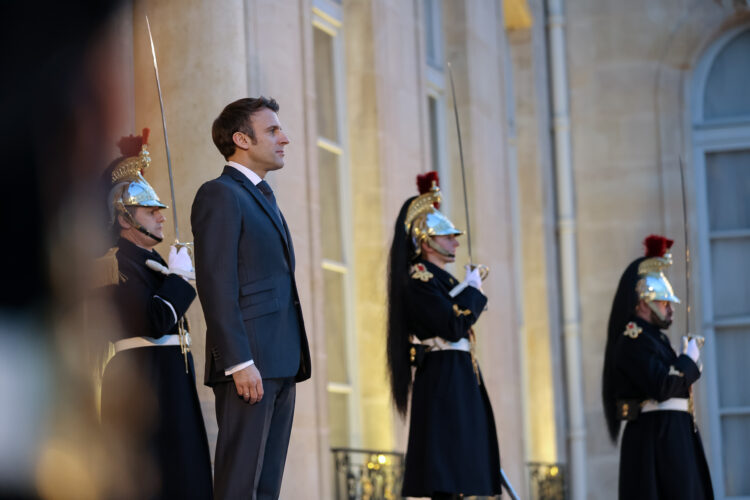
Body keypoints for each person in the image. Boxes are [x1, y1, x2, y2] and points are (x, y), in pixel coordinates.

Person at [191, 97, 312, 500]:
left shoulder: (263, 196)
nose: (285, 139)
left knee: (265, 487)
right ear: (242, 139)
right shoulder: (220, 194)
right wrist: (240, 361)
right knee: (238, 484)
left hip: (281, 360)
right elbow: (215, 282)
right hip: (249, 364)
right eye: (274, 130)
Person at [99, 130, 213, 499]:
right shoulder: (116, 262)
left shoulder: (150, 262)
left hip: (169, 381)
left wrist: (173, 275)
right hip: (146, 385)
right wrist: (179, 280)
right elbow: (154, 319)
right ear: (124, 219)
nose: (161, 219)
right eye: (151, 212)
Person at [386, 172, 502, 499]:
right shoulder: (420, 279)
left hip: (459, 372)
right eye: (448, 236)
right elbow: (452, 325)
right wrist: (474, 290)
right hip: (443, 376)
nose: (455, 242)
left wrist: (467, 290)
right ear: (426, 240)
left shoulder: (443, 281)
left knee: (465, 463)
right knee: (448, 470)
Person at [602, 235, 714, 500]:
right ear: (643, 303)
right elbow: (662, 386)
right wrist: (688, 360)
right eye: (664, 303)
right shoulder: (633, 339)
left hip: (672, 432)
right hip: (657, 438)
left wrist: (686, 361)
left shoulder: (654, 338)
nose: (670, 310)